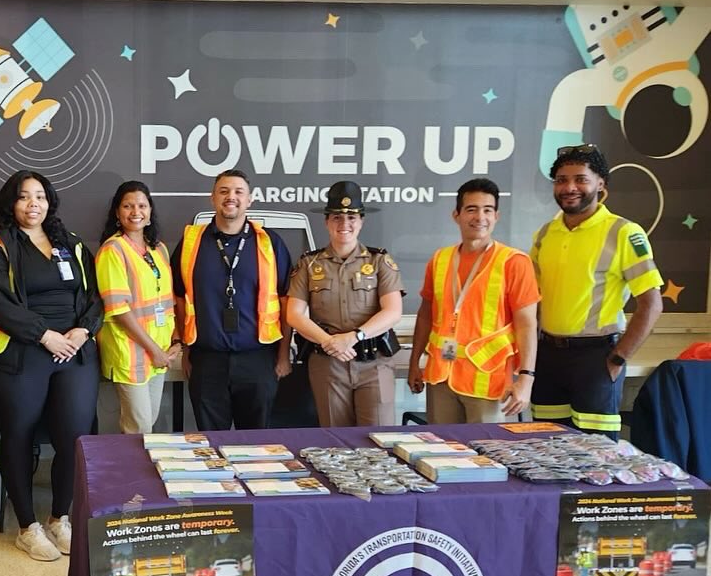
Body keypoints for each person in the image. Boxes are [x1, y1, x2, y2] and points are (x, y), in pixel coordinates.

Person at [0, 170, 103, 561]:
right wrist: (45, 335)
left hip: (74, 353)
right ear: (11, 203)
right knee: (19, 435)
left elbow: (96, 296)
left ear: (50, 202)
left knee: (74, 437)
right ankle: (27, 526)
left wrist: (83, 331)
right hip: (21, 353)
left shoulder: (71, 244)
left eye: (40, 197)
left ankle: (60, 517)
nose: (33, 204)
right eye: (25, 197)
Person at [531, 145, 663, 436]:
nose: (570, 187)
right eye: (562, 180)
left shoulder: (624, 232)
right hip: (548, 356)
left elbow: (652, 305)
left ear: (600, 183)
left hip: (597, 359)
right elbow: (533, 303)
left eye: (581, 179)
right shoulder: (544, 235)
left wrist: (617, 359)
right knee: (545, 449)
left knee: (596, 456)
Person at [407, 178, 540, 423]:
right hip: (441, 376)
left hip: (489, 380)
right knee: (441, 453)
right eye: (471, 209)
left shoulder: (514, 262)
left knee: (486, 455)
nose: (480, 217)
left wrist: (526, 378)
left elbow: (527, 324)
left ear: (496, 216)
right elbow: (426, 314)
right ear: (456, 215)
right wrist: (415, 362)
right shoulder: (440, 259)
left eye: (487, 210)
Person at [171, 169, 292, 431]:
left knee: (258, 447)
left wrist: (283, 356)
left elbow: (286, 302)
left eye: (239, 192)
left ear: (250, 200)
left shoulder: (271, 243)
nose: (231, 197)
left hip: (259, 360)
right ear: (212, 198)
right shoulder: (191, 243)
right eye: (224, 191)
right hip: (207, 360)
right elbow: (179, 299)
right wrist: (186, 351)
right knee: (212, 446)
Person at [285, 181, 403, 427]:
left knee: (379, 440)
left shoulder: (380, 260)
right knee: (335, 442)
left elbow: (393, 312)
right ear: (327, 222)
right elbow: (294, 314)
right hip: (329, 364)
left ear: (361, 221)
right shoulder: (309, 263)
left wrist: (354, 337)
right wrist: (329, 342)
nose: (344, 224)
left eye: (351, 217)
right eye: (337, 217)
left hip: (375, 362)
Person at [95, 182, 179, 433]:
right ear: (117, 213)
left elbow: (167, 301)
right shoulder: (113, 250)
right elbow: (118, 310)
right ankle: (130, 473)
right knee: (138, 427)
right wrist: (154, 350)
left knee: (147, 423)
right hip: (130, 352)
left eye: (142, 205)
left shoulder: (158, 249)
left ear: (150, 210)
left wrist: (173, 340)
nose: (136, 211)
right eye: (128, 206)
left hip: (159, 351)